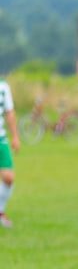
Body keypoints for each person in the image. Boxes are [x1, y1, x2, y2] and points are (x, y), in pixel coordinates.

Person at [0, 77, 21, 228]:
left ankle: (0, 211)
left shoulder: (3, 87)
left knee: (8, 177)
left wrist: (15, 136)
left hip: (1, 139)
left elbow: (9, 112)